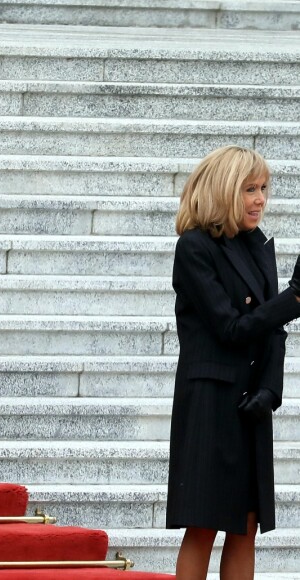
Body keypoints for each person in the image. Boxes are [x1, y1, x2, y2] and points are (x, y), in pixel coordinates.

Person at [165, 145, 300, 580]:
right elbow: (230, 328)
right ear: (224, 190)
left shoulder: (257, 246)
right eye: (249, 189)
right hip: (210, 402)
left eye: (264, 188)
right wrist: (294, 298)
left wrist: (270, 391)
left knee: (246, 526)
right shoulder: (194, 248)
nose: (261, 199)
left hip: (252, 404)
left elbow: (272, 331)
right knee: (204, 524)